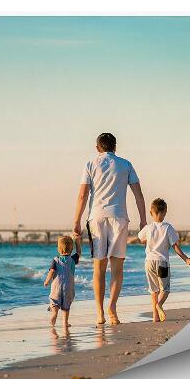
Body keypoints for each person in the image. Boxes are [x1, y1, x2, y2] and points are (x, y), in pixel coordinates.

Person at [73, 132, 146, 325]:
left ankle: (99, 313)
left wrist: (76, 221)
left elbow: (82, 196)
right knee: (117, 268)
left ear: (98, 148)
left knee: (99, 267)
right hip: (119, 217)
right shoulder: (126, 164)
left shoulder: (90, 164)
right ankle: (112, 309)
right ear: (115, 147)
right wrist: (143, 220)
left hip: (96, 218)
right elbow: (139, 194)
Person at [138, 198, 190, 322]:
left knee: (153, 290)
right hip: (162, 263)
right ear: (165, 212)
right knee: (165, 290)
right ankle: (159, 305)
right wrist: (186, 259)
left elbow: (141, 239)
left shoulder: (148, 228)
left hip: (149, 262)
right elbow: (175, 246)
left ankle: (155, 317)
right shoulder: (168, 228)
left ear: (151, 213)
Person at [44, 234, 82, 329]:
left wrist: (47, 281)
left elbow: (52, 271)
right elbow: (79, 253)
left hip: (56, 288)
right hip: (68, 289)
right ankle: (65, 323)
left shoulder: (55, 260)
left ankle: (54, 316)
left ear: (59, 248)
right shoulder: (73, 259)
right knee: (66, 308)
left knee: (55, 306)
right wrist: (77, 242)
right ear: (71, 248)